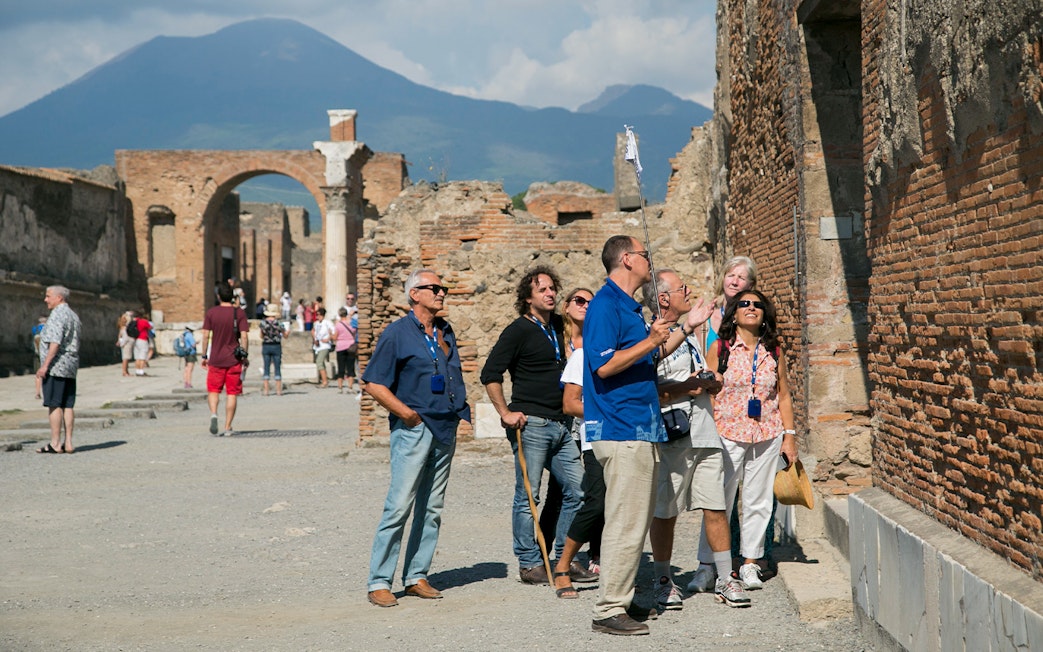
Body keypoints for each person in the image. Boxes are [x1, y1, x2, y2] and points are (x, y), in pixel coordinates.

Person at [582, 235, 701, 636]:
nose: (650, 261)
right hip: (621, 427)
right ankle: (608, 609)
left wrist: (684, 327)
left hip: (640, 425)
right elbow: (603, 366)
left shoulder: (629, 308)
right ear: (628, 259)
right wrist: (650, 339)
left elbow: (649, 358)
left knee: (633, 520)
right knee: (625, 521)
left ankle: (622, 596)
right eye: (645, 255)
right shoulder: (604, 306)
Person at [642, 269, 750, 609]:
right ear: (663, 299)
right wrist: (685, 387)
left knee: (716, 507)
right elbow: (645, 387)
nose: (689, 292)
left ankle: (724, 578)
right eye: (682, 288)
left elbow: (698, 377)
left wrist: (711, 381)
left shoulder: (686, 336)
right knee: (665, 511)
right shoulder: (648, 337)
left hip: (705, 432)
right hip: (671, 436)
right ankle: (663, 580)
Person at [361, 269, 470, 607]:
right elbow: (372, 382)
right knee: (399, 506)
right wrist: (406, 413)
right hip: (414, 429)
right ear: (414, 294)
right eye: (433, 288)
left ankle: (416, 576)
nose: (441, 292)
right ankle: (379, 581)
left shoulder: (444, 331)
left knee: (432, 507)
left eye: (443, 288)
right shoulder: (397, 333)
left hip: (444, 427)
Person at [481, 266, 589, 587]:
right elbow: (490, 373)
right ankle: (529, 563)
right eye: (542, 289)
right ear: (527, 298)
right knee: (529, 497)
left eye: (553, 288)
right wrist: (505, 412)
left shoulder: (558, 325)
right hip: (531, 424)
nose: (550, 293)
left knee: (579, 491)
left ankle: (561, 559)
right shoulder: (518, 330)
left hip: (561, 423)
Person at [705, 289, 798, 592]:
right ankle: (708, 565)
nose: (751, 308)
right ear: (733, 313)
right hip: (726, 432)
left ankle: (749, 564)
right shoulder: (720, 348)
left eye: (758, 305)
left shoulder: (775, 351)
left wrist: (790, 437)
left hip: (766, 433)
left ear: (764, 315)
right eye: (744, 303)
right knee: (718, 501)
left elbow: (783, 395)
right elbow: (706, 392)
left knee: (759, 501)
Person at [548, 287, 606, 600]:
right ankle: (563, 564)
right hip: (595, 436)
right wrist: (607, 409)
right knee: (594, 501)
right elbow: (570, 405)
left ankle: (616, 578)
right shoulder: (581, 356)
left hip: (627, 437)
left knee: (622, 506)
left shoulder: (623, 351)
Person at [35, 286, 81, 454]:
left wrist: (45, 365)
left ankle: (55, 443)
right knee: (68, 405)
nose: (45, 300)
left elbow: (55, 342)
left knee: (54, 405)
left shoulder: (57, 315)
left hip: (56, 366)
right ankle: (68, 442)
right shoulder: (73, 315)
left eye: (48, 296)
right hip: (70, 365)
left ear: (59, 297)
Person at [200, 283, 250, 437]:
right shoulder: (239, 313)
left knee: (213, 390)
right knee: (232, 393)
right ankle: (228, 427)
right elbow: (244, 336)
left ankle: (214, 413)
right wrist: (245, 355)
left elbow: (205, 335)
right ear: (233, 296)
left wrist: (204, 356)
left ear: (218, 296)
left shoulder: (212, 313)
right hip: (234, 359)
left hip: (216, 359)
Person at [706, 256, 757, 350]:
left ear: (750, 285)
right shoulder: (706, 320)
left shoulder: (753, 319)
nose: (734, 282)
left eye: (741, 278)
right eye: (731, 275)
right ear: (723, 279)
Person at [260, 303, 290, 396]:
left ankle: (266, 390)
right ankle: (278, 390)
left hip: (266, 345)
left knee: (266, 367)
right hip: (276, 345)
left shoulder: (263, 323)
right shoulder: (279, 323)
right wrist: (288, 331)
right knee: (277, 367)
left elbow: (261, 335)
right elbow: (285, 336)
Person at [333, 307, 359, 394]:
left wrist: (331, 336)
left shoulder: (338, 325)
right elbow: (355, 332)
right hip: (351, 346)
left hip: (340, 346)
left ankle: (340, 387)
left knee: (341, 367)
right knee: (351, 368)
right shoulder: (351, 323)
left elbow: (335, 337)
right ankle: (350, 387)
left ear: (339, 314)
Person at [312, 308, 333, 388]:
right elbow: (313, 331)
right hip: (318, 345)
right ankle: (324, 380)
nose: (317, 317)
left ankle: (324, 381)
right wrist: (315, 339)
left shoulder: (328, 323)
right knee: (321, 363)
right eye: (316, 315)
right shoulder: (316, 323)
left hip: (325, 345)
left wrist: (328, 339)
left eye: (319, 315)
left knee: (319, 361)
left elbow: (333, 332)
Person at [132, 311, 152, 376]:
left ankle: (137, 371)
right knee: (142, 356)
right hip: (143, 339)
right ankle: (141, 371)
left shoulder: (134, 322)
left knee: (137, 357)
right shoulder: (143, 321)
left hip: (136, 339)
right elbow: (150, 327)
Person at [32, 316, 47, 399]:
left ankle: (38, 393)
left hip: (37, 354)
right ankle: (47, 391)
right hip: (47, 355)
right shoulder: (48, 328)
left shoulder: (35, 329)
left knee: (38, 374)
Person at [116, 311, 134, 377]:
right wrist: (122, 343)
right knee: (125, 358)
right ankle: (124, 371)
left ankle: (127, 371)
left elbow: (120, 336)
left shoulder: (123, 327)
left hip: (126, 343)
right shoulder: (124, 328)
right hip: (126, 344)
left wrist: (119, 341)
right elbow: (123, 337)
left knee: (127, 358)